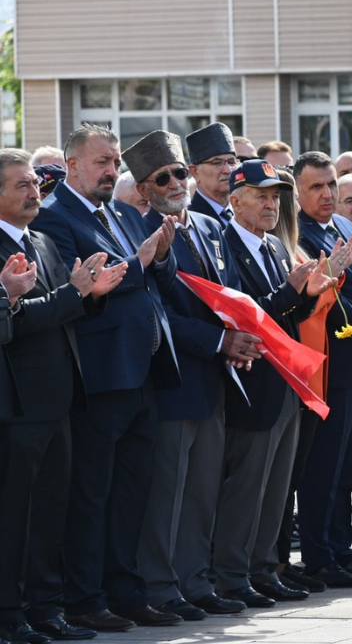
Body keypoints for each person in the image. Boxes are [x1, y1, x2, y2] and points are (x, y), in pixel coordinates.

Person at [31, 124, 183, 632]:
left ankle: (125, 591)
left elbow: (155, 276)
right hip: (99, 376)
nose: (112, 171)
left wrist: (159, 256)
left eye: (115, 162)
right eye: (102, 162)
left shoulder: (119, 212)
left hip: (141, 372)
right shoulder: (55, 218)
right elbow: (88, 285)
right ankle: (84, 597)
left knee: (132, 492)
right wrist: (140, 263)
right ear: (72, 165)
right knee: (92, 494)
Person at [127, 131, 262, 618]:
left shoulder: (208, 226)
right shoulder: (138, 230)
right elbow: (156, 308)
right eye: (161, 178)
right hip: (172, 379)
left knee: (203, 488)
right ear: (144, 189)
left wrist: (239, 340)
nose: (175, 182)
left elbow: (229, 297)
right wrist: (217, 342)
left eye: (180, 171)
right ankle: (160, 586)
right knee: (169, 492)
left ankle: (194, 580)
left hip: (215, 378)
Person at [0, 148, 120, 644]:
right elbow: (17, 321)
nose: (34, 192)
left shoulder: (44, 241)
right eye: (22, 185)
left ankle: (45, 608)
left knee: (51, 511)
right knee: (14, 516)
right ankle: (9, 614)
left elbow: (62, 313)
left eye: (34, 182)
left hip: (59, 398)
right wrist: (74, 294)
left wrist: (91, 294)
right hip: (17, 406)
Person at [213, 160, 344, 610]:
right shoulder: (225, 244)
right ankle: (232, 573)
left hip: (286, 379)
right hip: (254, 381)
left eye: (276, 197)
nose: (272, 205)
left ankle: (264, 567)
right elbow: (245, 317)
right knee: (247, 484)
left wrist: (308, 295)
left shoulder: (273, 246)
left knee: (276, 486)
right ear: (235, 199)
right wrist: (293, 293)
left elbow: (287, 315)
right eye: (261, 195)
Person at [293, 151, 352, 588]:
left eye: (331, 184)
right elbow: (329, 299)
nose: (327, 194)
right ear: (297, 191)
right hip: (330, 362)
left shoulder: (347, 227)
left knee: (348, 463)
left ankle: (341, 548)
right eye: (315, 187)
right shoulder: (299, 233)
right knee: (324, 466)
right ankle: (318, 554)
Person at [185, 123, 239, 225]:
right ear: (195, 172)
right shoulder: (189, 220)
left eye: (231, 162)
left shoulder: (246, 214)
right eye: (217, 163)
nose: (227, 170)